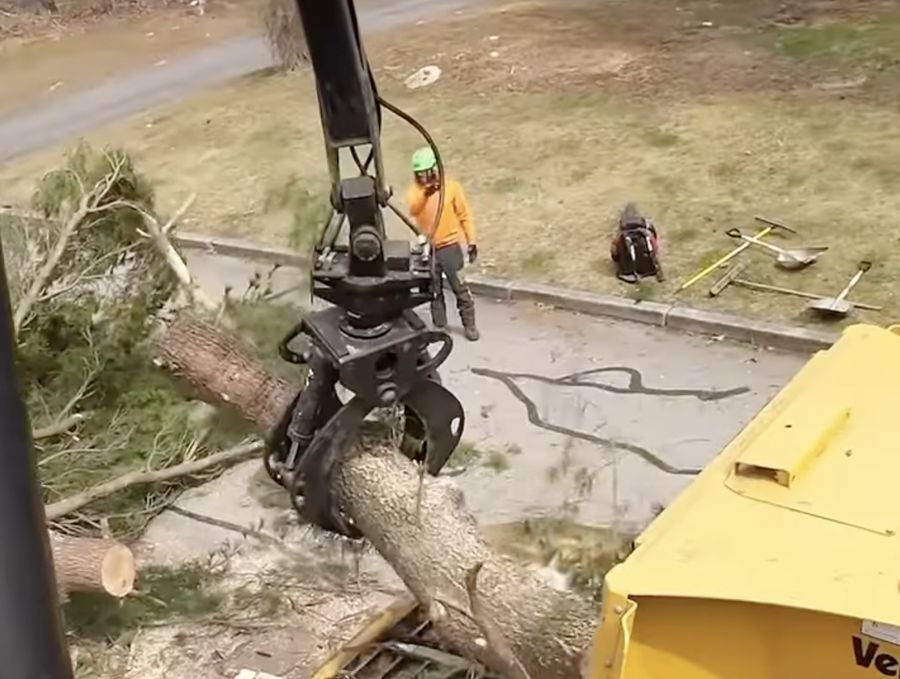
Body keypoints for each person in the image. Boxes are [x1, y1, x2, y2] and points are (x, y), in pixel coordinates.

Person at [406, 147, 480, 341]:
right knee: (434, 291)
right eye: (419, 174)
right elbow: (413, 209)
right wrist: (426, 193)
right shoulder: (415, 192)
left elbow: (464, 215)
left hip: (450, 248)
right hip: (429, 250)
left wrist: (471, 241)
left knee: (460, 288)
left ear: (435, 169)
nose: (423, 178)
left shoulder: (452, 188)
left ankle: (469, 324)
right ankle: (440, 325)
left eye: (426, 173)